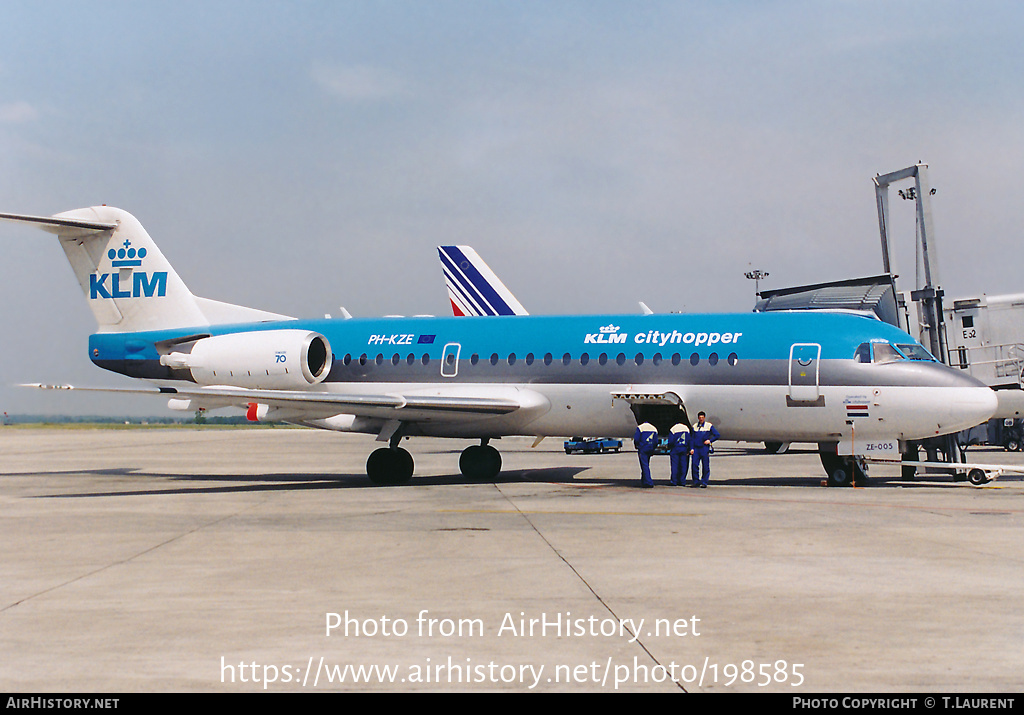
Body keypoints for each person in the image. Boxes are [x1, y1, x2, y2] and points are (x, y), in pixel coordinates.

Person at [690, 411, 720, 488]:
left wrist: (710, 441)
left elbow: (717, 435)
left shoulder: (708, 426)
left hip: (704, 448)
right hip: (696, 449)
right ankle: (696, 481)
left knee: (705, 466)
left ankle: (704, 482)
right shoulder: (695, 426)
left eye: (702, 418)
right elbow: (692, 438)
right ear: (698, 418)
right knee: (694, 466)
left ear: (704, 418)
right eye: (700, 418)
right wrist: (691, 448)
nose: (701, 419)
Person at [633, 421, 659, 488]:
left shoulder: (640, 428)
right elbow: (656, 441)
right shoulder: (654, 428)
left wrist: (637, 446)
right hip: (650, 448)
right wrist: (653, 448)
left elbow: (636, 439)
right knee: (646, 464)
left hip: (643, 448)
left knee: (644, 465)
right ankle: (644, 481)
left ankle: (648, 482)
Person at [667, 422, 691, 486]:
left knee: (675, 466)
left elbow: (671, 441)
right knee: (683, 465)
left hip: (675, 448)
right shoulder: (686, 428)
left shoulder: (673, 429)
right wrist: (689, 449)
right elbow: (689, 439)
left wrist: (669, 447)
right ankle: (682, 481)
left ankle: (674, 481)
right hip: (684, 448)